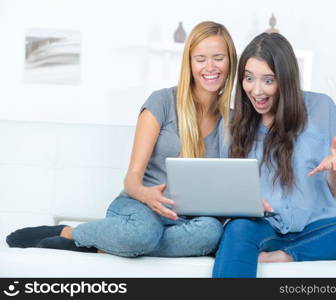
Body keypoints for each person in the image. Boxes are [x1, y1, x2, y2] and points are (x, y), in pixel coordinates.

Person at [7, 21, 237, 258]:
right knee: (143, 233)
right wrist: (146, 194)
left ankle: (103, 245)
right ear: (189, 63)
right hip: (139, 207)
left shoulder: (232, 120)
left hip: (187, 218)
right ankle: (69, 233)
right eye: (201, 59)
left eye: (218, 57)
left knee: (211, 232)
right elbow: (132, 179)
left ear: (230, 61)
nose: (210, 67)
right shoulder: (162, 102)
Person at [212, 32, 336, 278]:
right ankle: (291, 250)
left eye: (268, 80)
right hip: (262, 228)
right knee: (238, 228)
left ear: (286, 79)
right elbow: (222, 192)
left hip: (318, 228)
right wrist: (244, 204)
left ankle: (289, 254)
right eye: (248, 78)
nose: (256, 90)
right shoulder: (231, 124)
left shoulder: (321, 107)